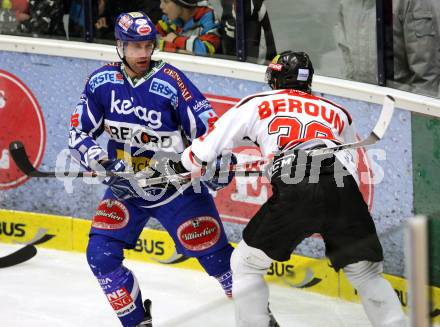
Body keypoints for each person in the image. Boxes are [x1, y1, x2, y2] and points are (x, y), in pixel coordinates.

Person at [178, 51, 406, 327]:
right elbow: (351, 170)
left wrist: (186, 165)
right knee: (367, 275)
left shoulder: (257, 103)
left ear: (273, 78)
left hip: (296, 186)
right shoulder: (338, 113)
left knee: (245, 265)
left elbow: (203, 151)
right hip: (343, 190)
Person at [68, 11, 234, 327]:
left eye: (147, 45)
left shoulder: (171, 81)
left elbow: (210, 128)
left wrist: (216, 161)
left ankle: (260, 319)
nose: (143, 54)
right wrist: (106, 165)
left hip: (179, 189)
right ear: (119, 45)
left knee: (219, 264)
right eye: (134, 47)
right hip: (126, 190)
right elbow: (78, 134)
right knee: (100, 256)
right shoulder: (101, 82)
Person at [335, 0, 440, 97]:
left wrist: (413, 113)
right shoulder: (347, 3)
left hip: (399, 105)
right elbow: (345, 53)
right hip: (359, 101)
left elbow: (426, 77)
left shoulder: (411, 2)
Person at [156, 0, 221, 55]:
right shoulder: (170, 19)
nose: (161, 6)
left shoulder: (209, 17)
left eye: (166, 1)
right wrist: (177, 49)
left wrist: (175, 40)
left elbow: (207, 50)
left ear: (183, 3)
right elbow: (151, 40)